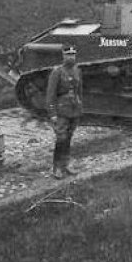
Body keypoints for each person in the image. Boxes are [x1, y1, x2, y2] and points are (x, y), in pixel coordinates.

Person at [45, 45, 83, 179]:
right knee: (61, 139)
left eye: (73, 54)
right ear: (63, 56)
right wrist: (52, 114)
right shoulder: (57, 72)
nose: (71, 57)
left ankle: (66, 164)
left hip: (74, 110)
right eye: (68, 55)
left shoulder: (77, 70)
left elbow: (79, 91)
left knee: (69, 138)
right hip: (61, 111)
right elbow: (50, 95)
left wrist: (80, 106)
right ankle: (56, 168)